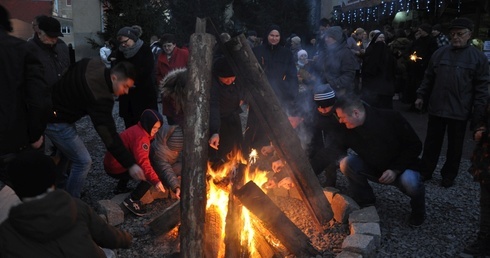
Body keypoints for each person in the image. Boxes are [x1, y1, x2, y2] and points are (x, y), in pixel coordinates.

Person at [0, 151, 133, 257]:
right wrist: (127, 238)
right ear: (53, 181)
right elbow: (108, 236)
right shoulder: (75, 206)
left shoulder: (6, 233)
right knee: (108, 252)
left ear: (16, 190)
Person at [45, 59, 146, 198]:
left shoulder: (92, 62)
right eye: (125, 86)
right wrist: (130, 164)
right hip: (55, 120)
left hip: (53, 106)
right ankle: (71, 204)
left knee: (66, 154)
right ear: (114, 77)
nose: (126, 91)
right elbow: (109, 135)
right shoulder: (100, 97)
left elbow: (68, 71)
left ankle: (61, 189)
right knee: (83, 161)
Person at [414, 18, 489, 187]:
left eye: (460, 34)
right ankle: (425, 171)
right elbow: (428, 78)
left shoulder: (477, 58)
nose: (456, 37)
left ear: (469, 35)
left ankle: (449, 175)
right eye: (453, 34)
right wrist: (420, 96)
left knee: (455, 146)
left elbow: (482, 88)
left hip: (459, 110)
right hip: (437, 107)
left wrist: (478, 114)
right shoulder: (439, 53)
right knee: (432, 142)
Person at [335, 94, 425, 227]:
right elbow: (335, 149)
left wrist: (395, 170)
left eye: (342, 117)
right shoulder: (348, 128)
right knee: (346, 163)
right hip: (374, 168)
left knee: (410, 180)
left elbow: (415, 145)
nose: (340, 121)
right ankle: (366, 200)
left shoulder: (391, 118)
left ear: (356, 113)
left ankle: (418, 210)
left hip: (401, 169)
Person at [0, 4, 50, 222]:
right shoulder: (22, 50)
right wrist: (35, 134)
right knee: (25, 200)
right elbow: (39, 98)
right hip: (15, 143)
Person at [244, 24, 298, 154]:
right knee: (254, 124)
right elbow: (249, 73)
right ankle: (248, 152)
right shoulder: (257, 51)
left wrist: (290, 94)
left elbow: (292, 76)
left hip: (279, 95)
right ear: (267, 36)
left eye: (277, 36)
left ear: (280, 37)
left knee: (274, 125)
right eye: (272, 35)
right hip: (258, 95)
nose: (274, 38)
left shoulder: (286, 53)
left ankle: (271, 153)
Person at [104, 109, 166, 216]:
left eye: (158, 128)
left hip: (111, 163)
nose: (156, 130)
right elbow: (143, 163)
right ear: (147, 124)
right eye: (154, 127)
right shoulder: (141, 138)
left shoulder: (138, 128)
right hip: (115, 167)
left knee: (141, 163)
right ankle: (133, 200)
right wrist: (156, 181)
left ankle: (121, 187)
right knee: (150, 173)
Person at [114, 25, 158, 128]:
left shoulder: (144, 49)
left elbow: (147, 69)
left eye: (126, 41)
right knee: (129, 123)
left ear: (133, 38)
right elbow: (118, 68)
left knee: (145, 123)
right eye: (121, 43)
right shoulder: (120, 52)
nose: (123, 45)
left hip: (143, 92)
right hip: (127, 94)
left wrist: (133, 81)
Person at [462, 99, 490, 256]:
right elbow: (483, 117)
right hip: (486, 162)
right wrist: (480, 129)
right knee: (486, 202)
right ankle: (484, 239)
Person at [308, 84, 346, 187]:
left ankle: (330, 181)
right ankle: (310, 178)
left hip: (336, 133)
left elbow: (338, 143)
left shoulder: (341, 112)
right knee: (313, 149)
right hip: (320, 129)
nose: (323, 110)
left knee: (330, 153)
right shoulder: (315, 110)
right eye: (320, 107)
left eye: (326, 106)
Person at [208, 57, 244, 167]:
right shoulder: (213, 86)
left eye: (232, 78)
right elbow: (213, 107)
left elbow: (245, 89)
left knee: (237, 148)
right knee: (223, 151)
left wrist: (242, 98)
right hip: (220, 122)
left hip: (234, 117)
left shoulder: (237, 79)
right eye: (226, 79)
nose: (230, 81)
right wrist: (215, 131)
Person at [313, 26, 358, 96]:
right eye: (326, 37)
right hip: (327, 92)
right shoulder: (327, 51)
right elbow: (322, 69)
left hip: (341, 94)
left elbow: (348, 75)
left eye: (329, 37)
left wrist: (332, 85)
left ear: (337, 39)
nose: (326, 39)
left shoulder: (346, 53)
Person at [27, 15, 70, 89]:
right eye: (50, 36)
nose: (54, 40)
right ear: (39, 33)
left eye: (56, 36)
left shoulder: (62, 46)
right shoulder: (29, 49)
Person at [404, 23, 437, 108]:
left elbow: (432, 54)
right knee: (413, 86)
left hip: (423, 68)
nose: (419, 32)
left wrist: (423, 62)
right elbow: (411, 49)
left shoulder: (431, 41)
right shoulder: (418, 40)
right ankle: (413, 103)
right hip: (414, 67)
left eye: (421, 30)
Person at [360, 32, 396, 109]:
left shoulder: (387, 50)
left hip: (385, 84)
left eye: (383, 38)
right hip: (373, 85)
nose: (381, 39)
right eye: (380, 38)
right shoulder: (371, 49)